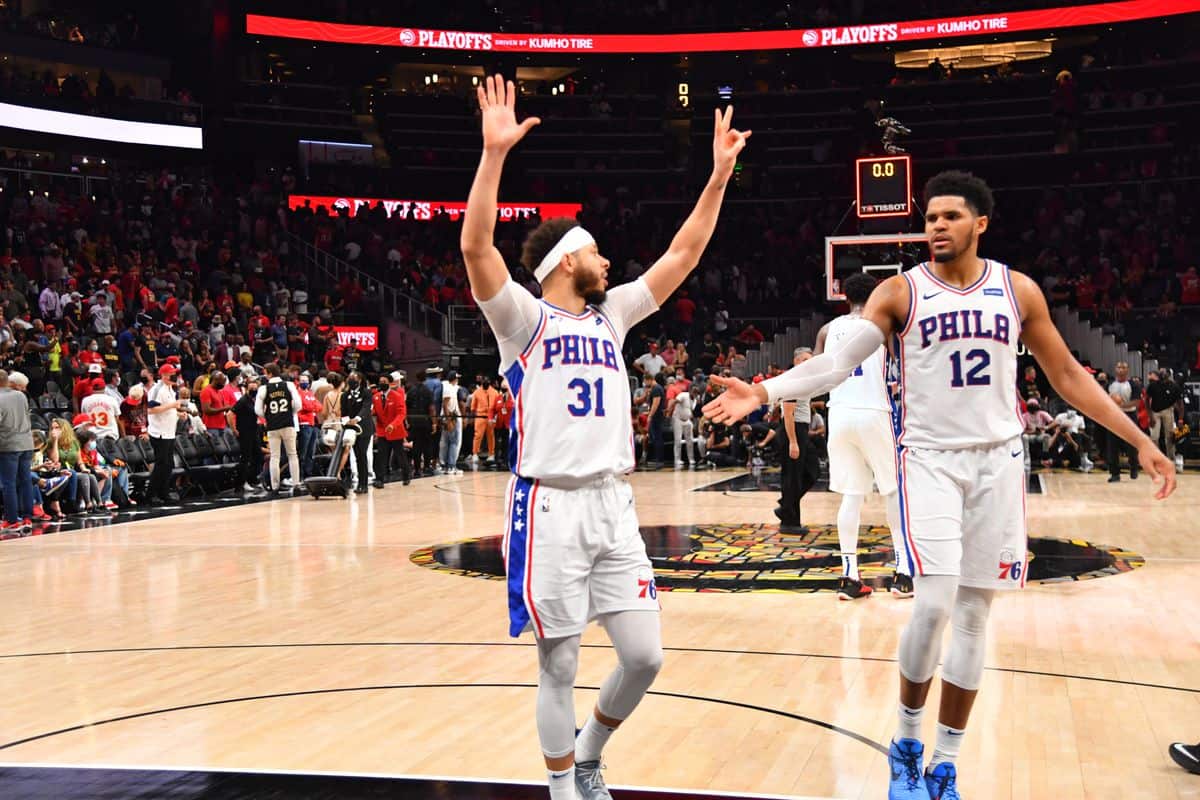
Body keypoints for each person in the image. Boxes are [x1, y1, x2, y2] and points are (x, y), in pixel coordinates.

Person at [702, 170, 1175, 800]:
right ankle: (905, 743)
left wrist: (1141, 441)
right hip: (926, 459)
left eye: (950, 216)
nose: (936, 226)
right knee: (931, 604)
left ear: (980, 223)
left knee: (976, 614)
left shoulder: (1017, 290)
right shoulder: (900, 293)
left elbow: (1066, 374)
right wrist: (763, 389)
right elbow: (838, 364)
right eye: (929, 218)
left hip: (998, 462)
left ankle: (946, 763)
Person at [460, 74, 748, 800]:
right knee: (558, 664)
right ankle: (564, 791)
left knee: (645, 657)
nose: (611, 264)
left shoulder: (612, 315)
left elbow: (682, 255)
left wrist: (716, 177)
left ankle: (588, 752)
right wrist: (494, 156)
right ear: (566, 263)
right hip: (550, 508)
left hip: (613, 505)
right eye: (597, 255)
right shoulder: (524, 321)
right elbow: (475, 250)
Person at [814, 272, 911, 601]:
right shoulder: (882, 327)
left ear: (843, 297)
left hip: (838, 413)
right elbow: (905, 365)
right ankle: (903, 573)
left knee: (850, 496)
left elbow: (815, 376)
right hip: (874, 411)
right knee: (894, 490)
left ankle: (849, 576)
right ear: (875, 298)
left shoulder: (827, 330)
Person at [255, 362, 302, 496]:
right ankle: (296, 484)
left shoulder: (264, 389)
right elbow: (298, 405)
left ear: (269, 373)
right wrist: (290, 413)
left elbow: (257, 410)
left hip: (273, 426)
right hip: (288, 424)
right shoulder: (289, 385)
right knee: (292, 455)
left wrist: (268, 416)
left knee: (274, 457)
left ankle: (275, 486)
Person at [0, 370, 35, 532]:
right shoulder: (21, 396)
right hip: (27, 443)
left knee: (9, 483)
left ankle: (12, 520)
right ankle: (28, 517)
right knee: (26, 480)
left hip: (8, 444)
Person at [145, 363, 183, 505]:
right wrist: (172, 406)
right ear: (164, 375)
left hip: (169, 432)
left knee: (168, 465)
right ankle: (151, 494)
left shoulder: (170, 389)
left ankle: (163, 492)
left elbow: (167, 409)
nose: (174, 375)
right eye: (171, 373)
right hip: (159, 433)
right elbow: (151, 410)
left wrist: (179, 413)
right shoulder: (157, 389)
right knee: (161, 464)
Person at [374, 371, 411, 486]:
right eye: (380, 382)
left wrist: (393, 425)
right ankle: (380, 479)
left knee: (400, 455)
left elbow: (401, 414)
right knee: (382, 456)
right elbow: (375, 412)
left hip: (396, 431)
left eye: (384, 382)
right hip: (382, 431)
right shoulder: (375, 397)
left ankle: (406, 475)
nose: (381, 383)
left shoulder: (397, 396)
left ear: (390, 383)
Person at [340, 370, 374, 493]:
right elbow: (343, 412)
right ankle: (359, 481)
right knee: (356, 455)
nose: (351, 380)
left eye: (354, 378)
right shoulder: (345, 395)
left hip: (364, 428)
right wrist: (346, 421)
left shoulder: (366, 392)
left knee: (362, 455)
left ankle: (363, 484)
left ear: (359, 380)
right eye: (349, 378)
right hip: (351, 429)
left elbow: (366, 408)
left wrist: (357, 419)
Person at [1106, 361, 1140, 482]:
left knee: (1131, 444)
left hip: (1129, 415)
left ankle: (1134, 467)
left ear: (1127, 370)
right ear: (1115, 369)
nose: (1120, 369)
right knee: (1112, 445)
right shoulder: (1110, 384)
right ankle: (1115, 473)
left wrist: (1121, 404)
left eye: (1123, 367)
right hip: (1114, 416)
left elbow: (1136, 402)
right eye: (1118, 367)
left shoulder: (1133, 384)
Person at [439, 370, 463, 475]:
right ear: (454, 378)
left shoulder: (451, 387)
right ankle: (451, 466)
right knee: (453, 442)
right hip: (449, 417)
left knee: (448, 442)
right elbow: (445, 405)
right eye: (457, 378)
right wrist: (448, 420)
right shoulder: (448, 388)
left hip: (449, 417)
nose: (457, 379)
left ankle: (446, 465)